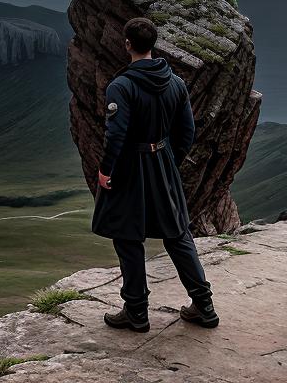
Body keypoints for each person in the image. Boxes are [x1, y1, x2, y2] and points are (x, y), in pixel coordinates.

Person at [93, 17, 219, 332]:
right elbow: (187, 132)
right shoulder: (175, 83)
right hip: (162, 161)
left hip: (130, 168)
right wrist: (167, 160)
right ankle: (204, 306)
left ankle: (136, 312)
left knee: (127, 236)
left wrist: (106, 170)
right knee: (177, 234)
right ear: (154, 45)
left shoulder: (120, 86)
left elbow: (116, 136)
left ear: (127, 44)